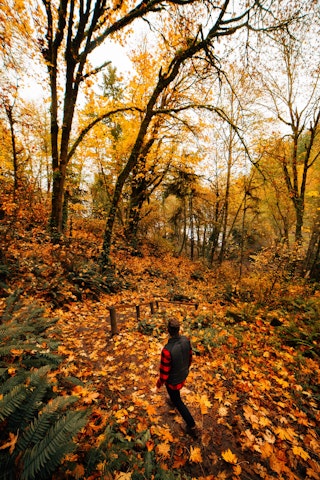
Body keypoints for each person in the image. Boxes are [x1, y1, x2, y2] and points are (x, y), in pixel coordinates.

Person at [156, 318, 197, 438]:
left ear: (168, 330)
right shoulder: (186, 340)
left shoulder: (167, 351)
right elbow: (190, 358)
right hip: (183, 374)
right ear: (179, 329)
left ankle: (192, 426)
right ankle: (172, 400)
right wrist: (185, 369)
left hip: (173, 381)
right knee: (175, 396)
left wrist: (158, 385)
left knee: (178, 401)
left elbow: (164, 375)